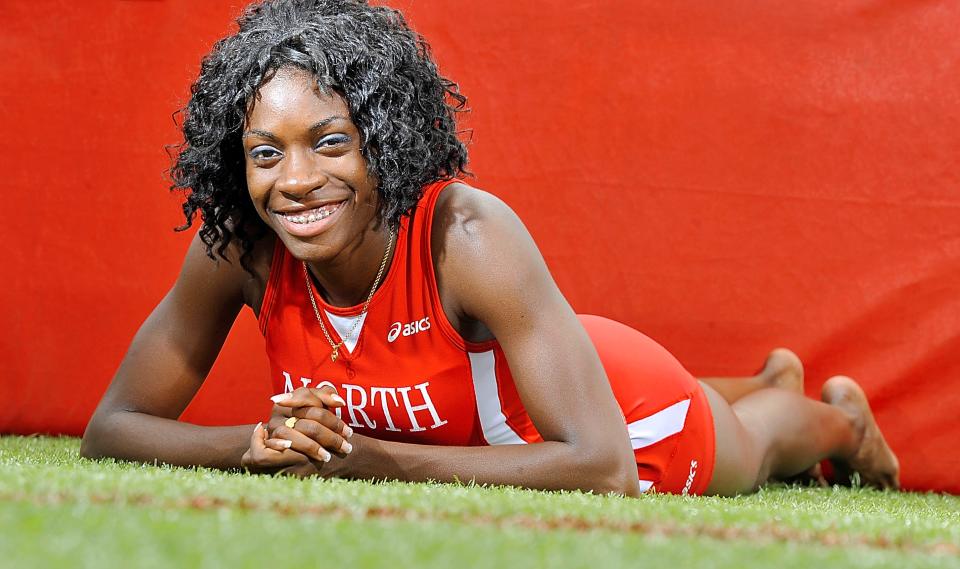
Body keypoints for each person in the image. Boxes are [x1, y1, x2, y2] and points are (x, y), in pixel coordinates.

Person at [80, 0, 899, 496]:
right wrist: (250, 444)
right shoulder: (241, 249)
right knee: (733, 413)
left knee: (748, 449)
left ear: (384, 140)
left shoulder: (465, 236)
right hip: (521, 387)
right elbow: (111, 427)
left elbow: (603, 464)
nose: (296, 180)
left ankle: (833, 422)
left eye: (330, 143)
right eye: (267, 153)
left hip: (619, 406)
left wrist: (378, 462)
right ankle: (767, 378)